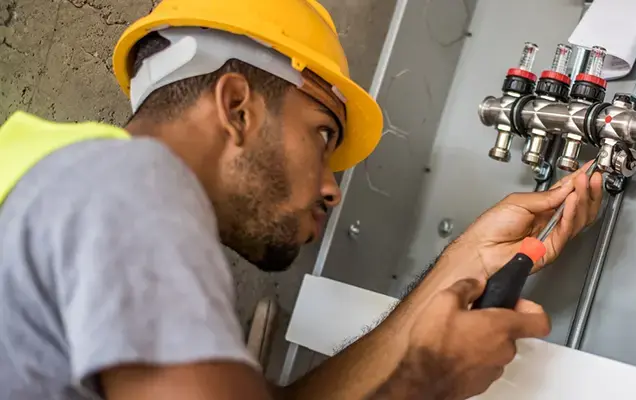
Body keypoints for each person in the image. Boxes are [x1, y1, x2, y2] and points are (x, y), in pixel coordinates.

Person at [0, 0, 603, 399]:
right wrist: (426, 383)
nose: (331, 188)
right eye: (323, 135)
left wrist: (461, 263)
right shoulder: (127, 186)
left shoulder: (65, 186)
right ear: (237, 106)